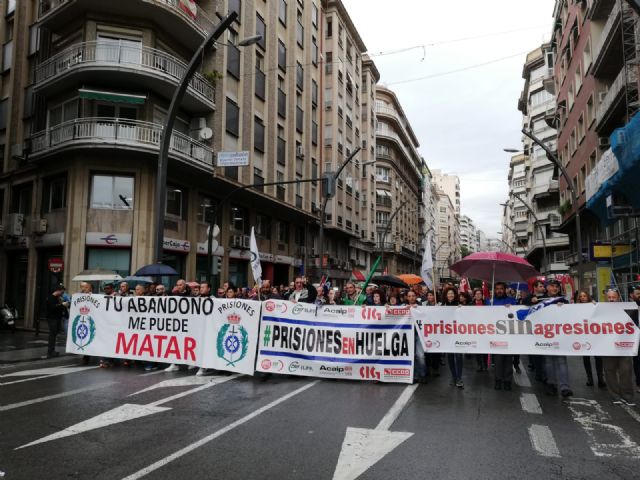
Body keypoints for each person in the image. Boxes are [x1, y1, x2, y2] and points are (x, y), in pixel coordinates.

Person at [603, 289, 636, 406]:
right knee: (609, 371)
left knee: (626, 371)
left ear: (619, 297)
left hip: (624, 346)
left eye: (614, 297)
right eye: (609, 297)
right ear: (606, 298)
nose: (611, 299)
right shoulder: (600, 310)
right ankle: (615, 395)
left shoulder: (628, 308)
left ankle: (627, 396)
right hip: (607, 347)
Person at [541, 279, 573, 397]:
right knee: (548, 361)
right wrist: (531, 300)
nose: (555, 288)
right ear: (547, 288)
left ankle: (565, 387)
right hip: (545, 334)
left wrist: (564, 307)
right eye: (552, 286)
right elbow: (526, 301)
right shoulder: (540, 299)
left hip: (560, 334)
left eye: (557, 287)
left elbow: (571, 313)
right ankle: (551, 384)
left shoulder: (563, 300)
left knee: (561, 360)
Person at [488, 282, 516, 391]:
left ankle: (508, 381)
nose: (499, 290)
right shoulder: (489, 301)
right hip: (495, 334)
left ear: (505, 290)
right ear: (494, 290)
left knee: (508, 359)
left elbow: (516, 312)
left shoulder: (511, 300)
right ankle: (498, 380)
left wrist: (511, 307)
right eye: (497, 289)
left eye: (501, 289)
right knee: (498, 360)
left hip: (509, 334)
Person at [576, 290, 605, 388]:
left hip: (595, 335)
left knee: (598, 357)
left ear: (588, 297)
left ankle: (600, 378)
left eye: (584, 296)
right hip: (583, 336)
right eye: (581, 296)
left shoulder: (594, 305)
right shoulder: (575, 308)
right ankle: (590, 378)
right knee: (586, 358)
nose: (583, 297)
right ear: (579, 298)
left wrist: (595, 305)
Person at [522, 280, 547, 382]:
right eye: (540, 286)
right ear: (535, 288)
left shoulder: (547, 297)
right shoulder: (530, 297)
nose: (542, 288)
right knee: (537, 353)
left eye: (543, 286)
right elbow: (524, 302)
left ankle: (546, 374)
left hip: (547, 329)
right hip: (535, 328)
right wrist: (531, 300)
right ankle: (539, 372)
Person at [442, 287, 464, 389]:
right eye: (448, 293)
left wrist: (461, 309)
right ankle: (453, 376)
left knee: (459, 356)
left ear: (455, 295)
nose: (450, 295)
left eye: (452, 293)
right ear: (446, 295)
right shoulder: (442, 306)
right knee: (450, 357)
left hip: (458, 334)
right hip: (447, 336)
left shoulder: (459, 306)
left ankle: (459, 377)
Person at [406, 290, 427, 384]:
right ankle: (414, 376)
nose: (411, 298)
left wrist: (417, 308)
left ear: (416, 296)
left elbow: (427, 314)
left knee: (420, 356)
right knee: (412, 356)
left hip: (419, 335)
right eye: (409, 296)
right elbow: (391, 310)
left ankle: (422, 374)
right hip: (408, 335)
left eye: (413, 296)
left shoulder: (422, 306)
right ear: (407, 297)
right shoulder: (404, 306)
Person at [45, 285, 66, 358]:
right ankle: (50, 352)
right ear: (58, 290)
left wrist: (62, 304)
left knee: (54, 335)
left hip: (57, 318)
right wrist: (61, 304)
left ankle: (52, 351)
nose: (62, 294)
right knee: (52, 335)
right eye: (62, 292)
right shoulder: (50, 298)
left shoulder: (58, 298)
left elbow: (60, 308)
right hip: (52, 319)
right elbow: (53, 308)